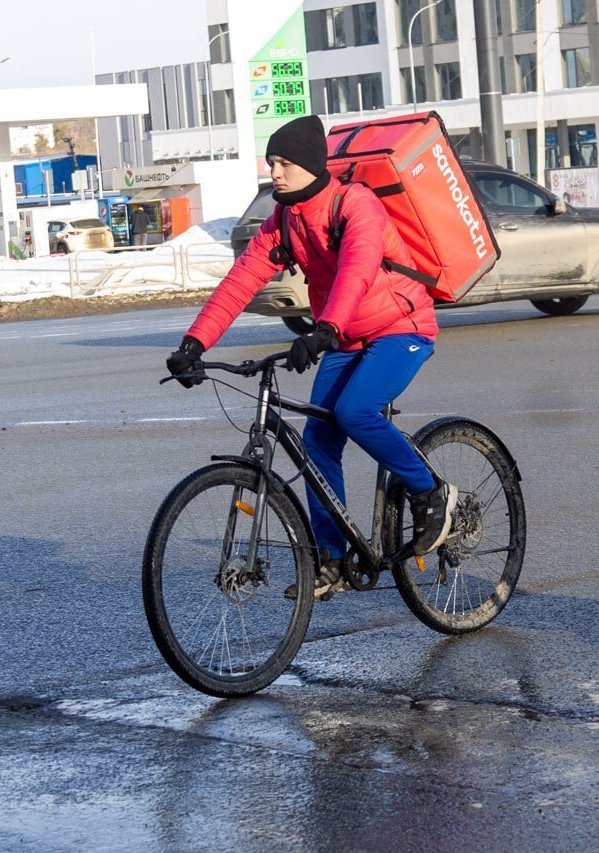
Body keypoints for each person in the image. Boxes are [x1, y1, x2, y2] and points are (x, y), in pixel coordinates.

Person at [165, 114, 458, 602]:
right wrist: (194, 343)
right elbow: (241, 282)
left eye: (283, 163)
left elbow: (357, 269)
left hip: (400, 327)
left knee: (354, 412)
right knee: (319, 439)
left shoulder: (354, 204)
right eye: (271, 162)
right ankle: (333, 558)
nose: (275, 172)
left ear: (311, 164)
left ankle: (430, 491)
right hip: (344, 336)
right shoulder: (285, 220)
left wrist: (324, 329)